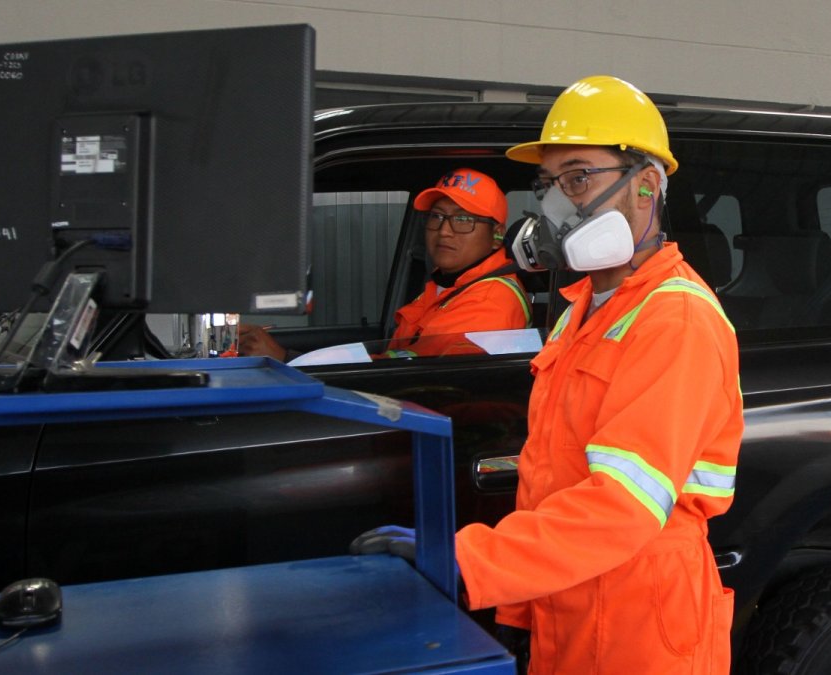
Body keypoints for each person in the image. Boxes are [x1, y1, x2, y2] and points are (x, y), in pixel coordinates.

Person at [353, 76, 743, 674]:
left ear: (646, 186)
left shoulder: (676, 318)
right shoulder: (583, 307)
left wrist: (467, 563)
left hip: (639, 612)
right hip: (570, 590)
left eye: (579, 178)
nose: (557, 205)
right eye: (549, 184)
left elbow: (622, 505)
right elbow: (556, 472)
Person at [238, 168, 530, 359]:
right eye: (437, 216)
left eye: (463, 219)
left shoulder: (492, 299)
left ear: (496, 235)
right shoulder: (446, 285)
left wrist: (289, 360)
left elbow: (416, 371)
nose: (444, 230)